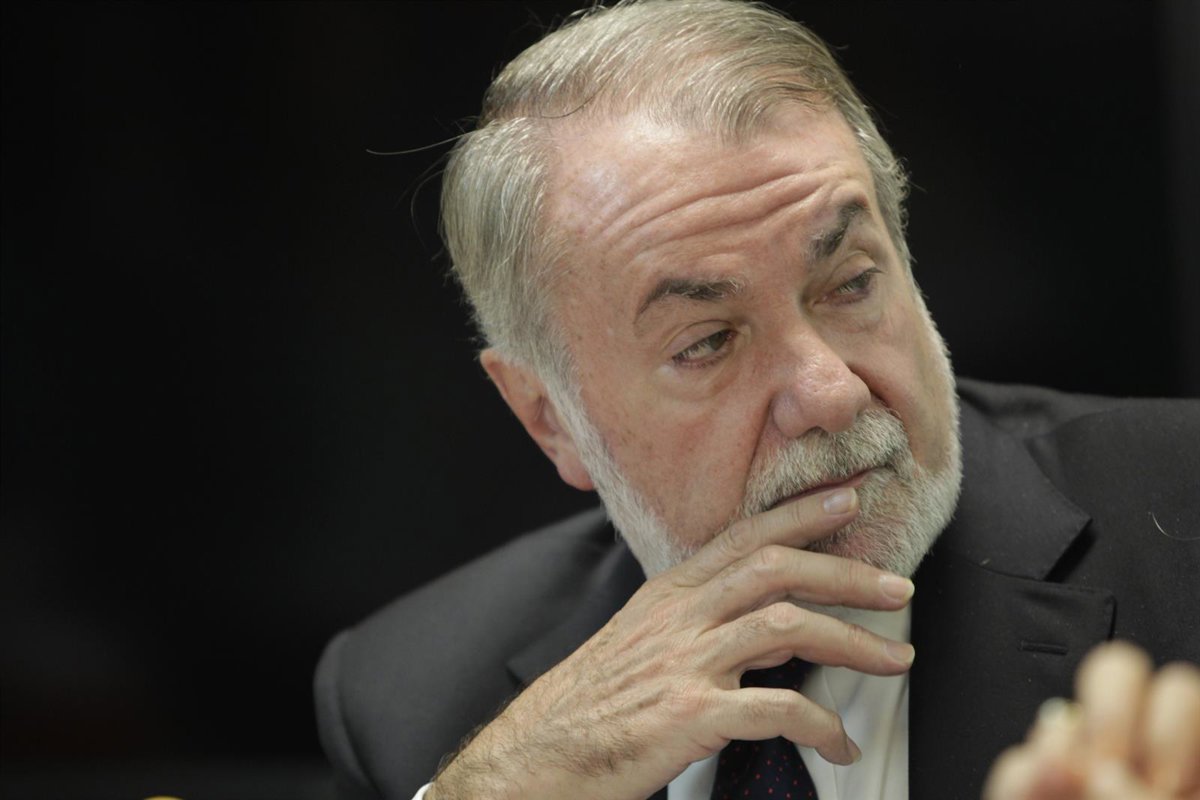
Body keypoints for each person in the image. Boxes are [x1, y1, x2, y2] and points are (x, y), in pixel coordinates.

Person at [313, 2, 1200, 798]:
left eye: (850, 283)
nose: (830, 394)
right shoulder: (411, 697)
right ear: (550, 419)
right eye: (707, 342)